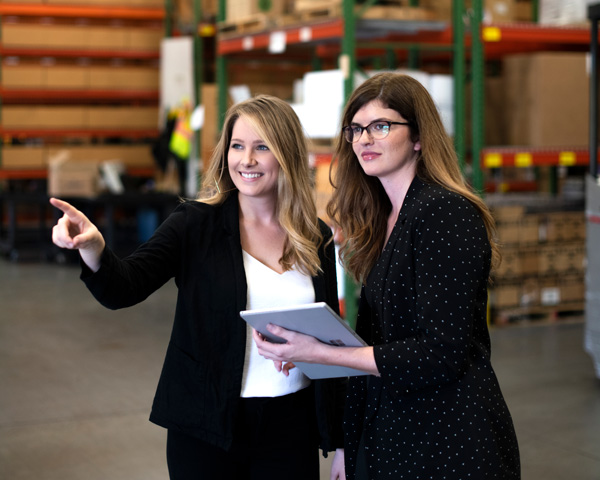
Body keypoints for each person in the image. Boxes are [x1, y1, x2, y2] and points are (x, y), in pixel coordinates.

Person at [50, 94, 346, 480]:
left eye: (262, 147)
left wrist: (341, 442)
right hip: (207, 426)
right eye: (237, 146)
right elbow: (124, 287)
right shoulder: (194, 224)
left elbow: (331, 345)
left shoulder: (315, 236)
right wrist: (93, 247)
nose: (247, 160)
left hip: (291, 426)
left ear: (286, 154)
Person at [254, 73, 521, 479]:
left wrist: (319, 353)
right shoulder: (385, 218)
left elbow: (441, 353)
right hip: (393, 432)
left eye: (381, 126)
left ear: (418, 137)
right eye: (356, 129)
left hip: (448, 440)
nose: (364, 139)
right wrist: (350, 442)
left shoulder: (445, 214)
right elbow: (380, 340)